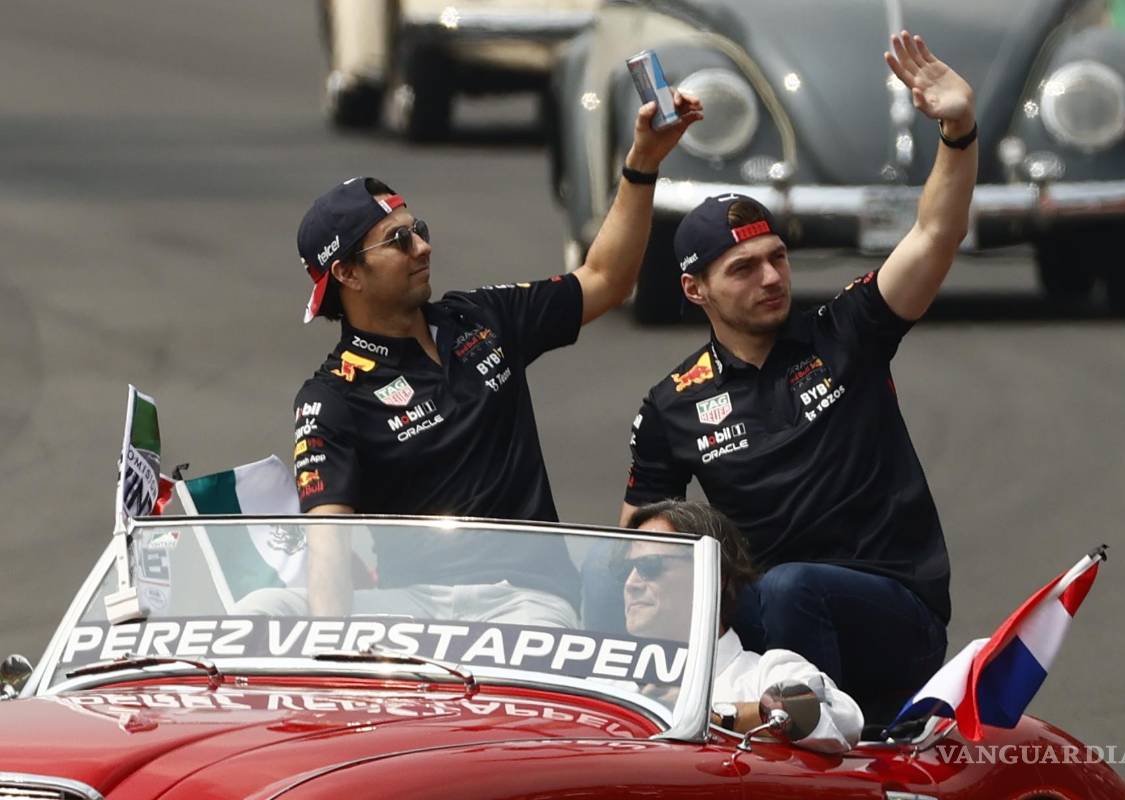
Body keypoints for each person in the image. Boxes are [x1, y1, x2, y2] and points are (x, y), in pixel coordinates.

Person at [619, 32, 978, 722]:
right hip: (766, 615)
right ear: (696, 292)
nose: (772, 277)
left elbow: (934, 234)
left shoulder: (847, 331)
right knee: (740, 605)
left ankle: (827, 761)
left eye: (777, 258)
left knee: (786, 589)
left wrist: (957, 130)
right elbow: (643, 544)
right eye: (744, 269)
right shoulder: (672, 405)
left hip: (894, 608)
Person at [291, 92, 703, 616]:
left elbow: (605, 279)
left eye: (419, 230)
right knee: (267, 604)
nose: (422, 248)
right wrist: (336, 659)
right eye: (398, 241)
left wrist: (643, 163)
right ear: (346, 273)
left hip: (524, 597)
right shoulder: (331, 396)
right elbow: (327, 541)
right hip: (413, 604)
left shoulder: (482, 317)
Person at [625, 500, 862, 752]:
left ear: (712, 575)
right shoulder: (601, 681)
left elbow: (842, 719)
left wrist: (715, 715)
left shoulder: (766, 673)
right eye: (624, 570)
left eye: (649, 566)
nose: (630, 583)